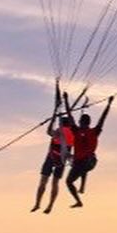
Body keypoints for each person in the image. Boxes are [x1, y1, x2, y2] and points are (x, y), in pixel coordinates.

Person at [31, 81, 75, 214]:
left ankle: (37, 204)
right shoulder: (73, 133)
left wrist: (52, 119)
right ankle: (50, 205)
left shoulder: (59, 132)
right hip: (61, 161)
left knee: (43, 182)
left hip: (51, 158)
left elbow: (48, 131)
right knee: (55, 183)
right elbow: (70, 118)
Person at [64, 93, 114, 208]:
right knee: (81, 165)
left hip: (84, 162)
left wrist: (66, 99)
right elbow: (103, 118)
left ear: (81, 122)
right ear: (89, 123)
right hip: (91, 163)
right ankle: (81, 191)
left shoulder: (76, 130)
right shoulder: (95, 131)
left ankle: (79, 198)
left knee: (69, 180)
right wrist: (109, 104)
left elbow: (69, 115)